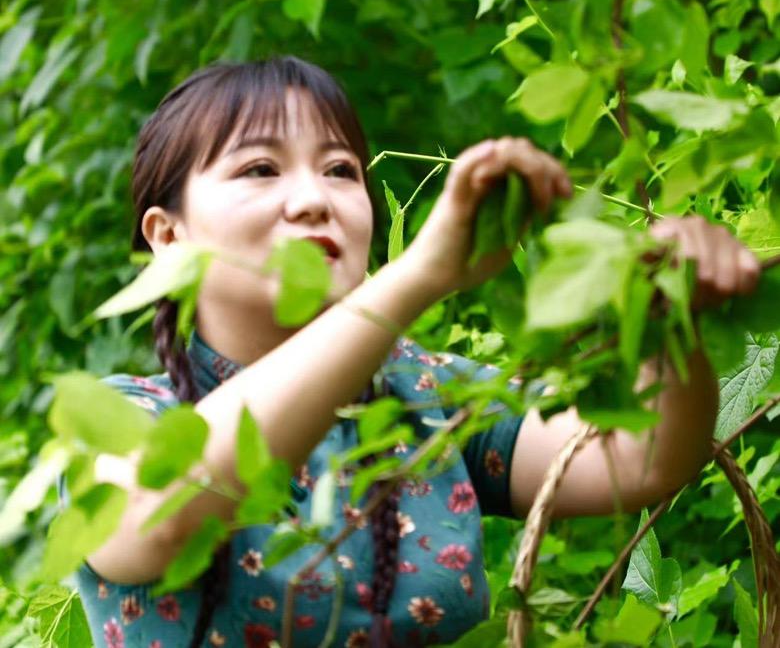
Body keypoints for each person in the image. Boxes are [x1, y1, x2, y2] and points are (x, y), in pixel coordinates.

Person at [67, 57, 760, 648]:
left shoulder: (424, 392)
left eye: (340, 169)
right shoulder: (124, 421)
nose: (314, 199)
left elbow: (638, 457)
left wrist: (670, 319)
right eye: (259, 168)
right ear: (168, 234)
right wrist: (418, 276)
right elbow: (153, 515)